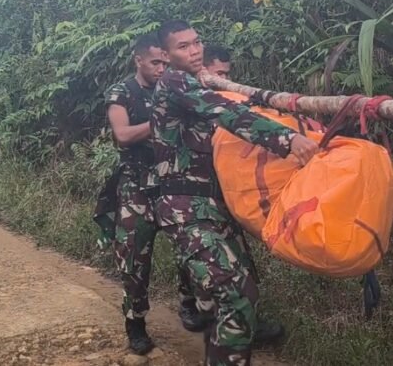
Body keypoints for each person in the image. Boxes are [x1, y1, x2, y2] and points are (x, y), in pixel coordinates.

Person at [150, 20, 319, 365]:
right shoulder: (175, 83)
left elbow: (241, 109)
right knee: (235, 293)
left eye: (197, 42)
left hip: (212, 205)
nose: (194, 50)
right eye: (183, 46)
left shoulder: (197, 82)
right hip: (186, 206)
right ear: (166, 56)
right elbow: (229, 113)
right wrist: (288, 140)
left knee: (243, 289)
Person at [97, 33, 204, 355]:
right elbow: (123, 135)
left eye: (165, 62)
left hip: (174, 182)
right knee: (134, 257)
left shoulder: (176, 85)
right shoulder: (123, 92)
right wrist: (162, 118)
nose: (161, 68)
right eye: (155, 62)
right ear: (139, 60)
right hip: (136, 188)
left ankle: (189, 305)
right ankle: (135, 322)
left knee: (190, 247)